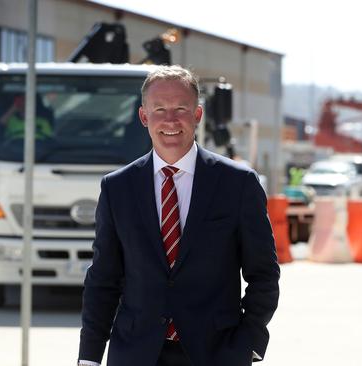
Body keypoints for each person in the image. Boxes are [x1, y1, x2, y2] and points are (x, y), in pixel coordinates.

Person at [78, 65, 280, 366]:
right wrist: (90, 356)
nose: (170, 120)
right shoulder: (117, 188)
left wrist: (248, 343)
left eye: (181, 108)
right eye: (159, 109)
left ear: (197, 115)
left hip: (216, 354)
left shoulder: (238, 184)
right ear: (144, 117)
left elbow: (263, 274)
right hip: (135, 354)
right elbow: (103, 279)